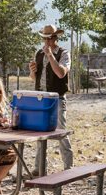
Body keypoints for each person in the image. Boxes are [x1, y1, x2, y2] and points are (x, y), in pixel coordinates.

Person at [29, 24, 73, 170]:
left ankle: (68, 167)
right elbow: (33, 78)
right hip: (41, 97)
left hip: (57, 98)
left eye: (49, 38)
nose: (47, 42)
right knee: (40, 132)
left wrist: (50, 55)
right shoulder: (38, 53)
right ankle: (39, 168)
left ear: (55, 38)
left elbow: (61, 73)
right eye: (45, 38)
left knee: (61, 131)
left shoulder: (63, 53)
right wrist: (32, 71)